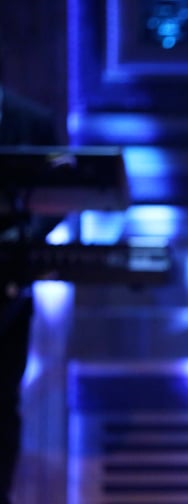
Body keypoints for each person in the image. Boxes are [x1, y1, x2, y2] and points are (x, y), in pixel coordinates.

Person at [0, 52, 59, 504]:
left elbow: (61, 194)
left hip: (9, 286)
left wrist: (21, 239)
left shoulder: (32, 122)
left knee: (3, 402)